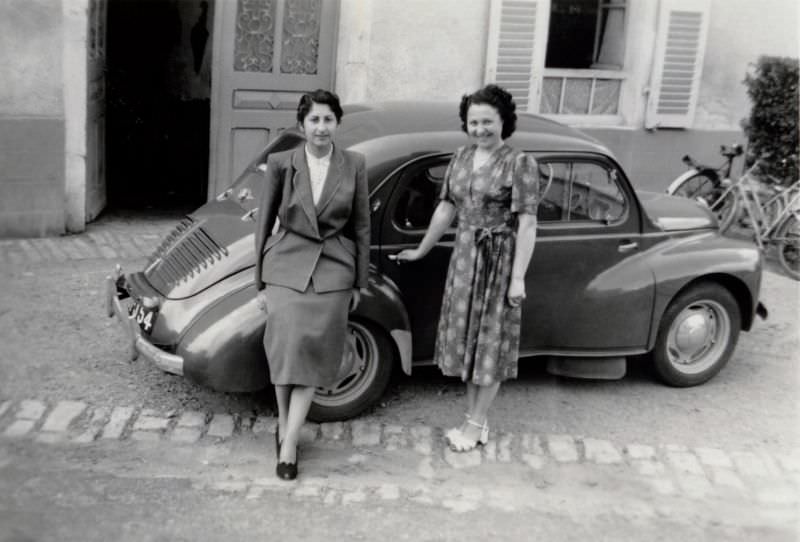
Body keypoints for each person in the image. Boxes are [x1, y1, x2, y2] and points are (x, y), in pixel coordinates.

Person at [390, 84, 539, 452]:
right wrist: (421, 250)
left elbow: (528, 224)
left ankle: (473, 427)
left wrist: (517, 277)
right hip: (465, 258)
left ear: (504, 121)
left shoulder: (520, 163)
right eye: (473, 122)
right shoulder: (461, 157)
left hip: (499, 261)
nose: (480, 129)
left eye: (487, 121)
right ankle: (476, 420)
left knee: (490, 343)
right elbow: (446, 208)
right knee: (469, 344)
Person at [254, 89, 370, 480]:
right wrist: (259, 282)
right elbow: (264, 224)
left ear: (338, 123)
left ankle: (288, 442)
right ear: (301, 125)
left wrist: (359, 281)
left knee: (314, 355)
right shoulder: (281, 163)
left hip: (335, 269)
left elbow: (361, 228)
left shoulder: (353, 164)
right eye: (314, 120)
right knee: (285, 349)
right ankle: (286, 425)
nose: (321, 127)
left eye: (328, 119)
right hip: (286, 266)